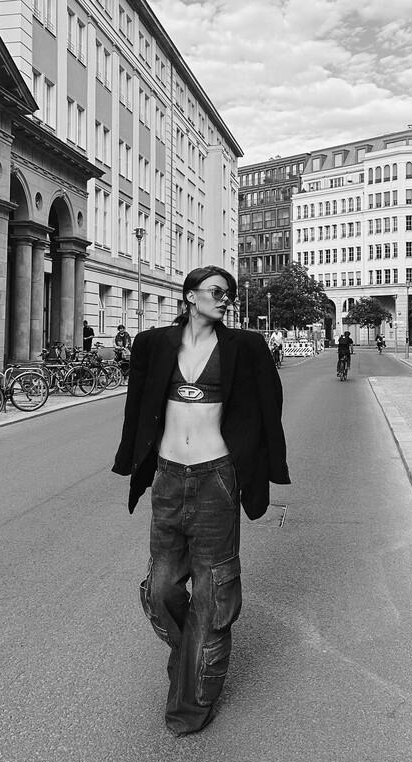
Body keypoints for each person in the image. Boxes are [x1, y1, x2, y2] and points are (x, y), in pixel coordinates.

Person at [113, 265, 290, 737]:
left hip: (216, 478)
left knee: (213, 592)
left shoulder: (245, 347)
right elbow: (137, 405)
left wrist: (262, 466)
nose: (225, 299)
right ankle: (189, 649)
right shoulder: (153, 344)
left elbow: (268, 405)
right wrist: (132, 459)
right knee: (161, 589)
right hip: (169, 479)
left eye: (229, 293)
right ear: (190, 296)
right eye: (217, 291)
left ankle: (191, 703)